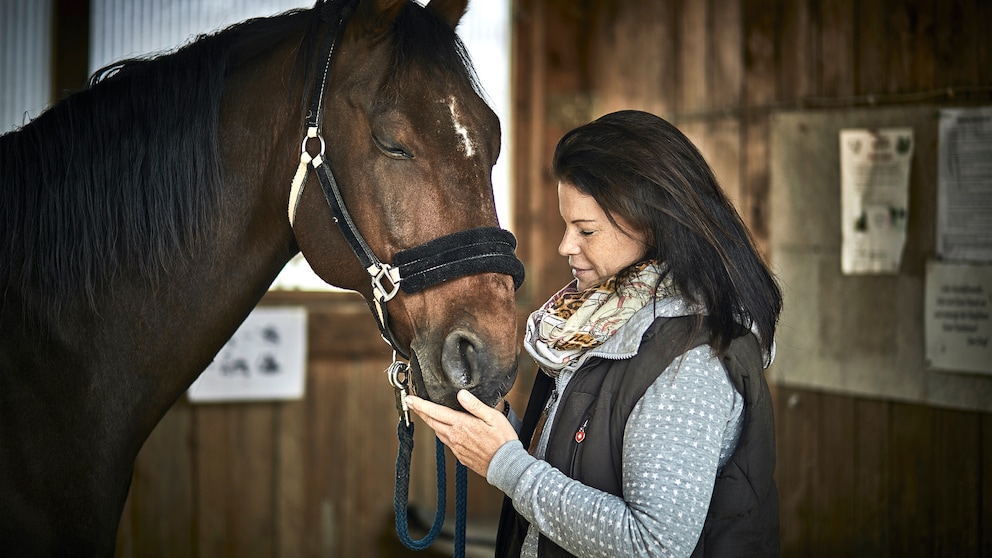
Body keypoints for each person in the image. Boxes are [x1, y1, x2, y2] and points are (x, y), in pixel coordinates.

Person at [406, 109, 783, 558]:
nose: (566, 246)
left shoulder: (690, 360)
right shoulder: (606, 319)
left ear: (651, 224)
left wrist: (506, 465)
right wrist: (499, 433)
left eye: (586, 230)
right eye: (568, 225)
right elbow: (590, 464)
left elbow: (653, 545)